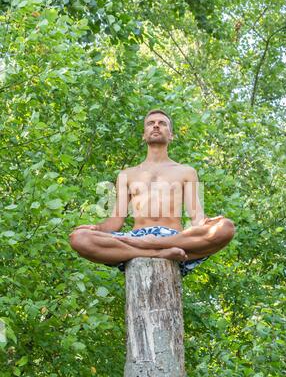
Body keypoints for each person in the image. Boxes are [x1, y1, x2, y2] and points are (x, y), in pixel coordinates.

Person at [69, 109, 236, 276]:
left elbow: (196, 218)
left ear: (171, 135)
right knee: (79, 238)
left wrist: (208, 225)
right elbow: (115, 221)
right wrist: (97, 228)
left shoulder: (186, 171)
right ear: (144, 135)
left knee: (226, 227)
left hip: (174, 238)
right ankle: (156, 252)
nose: (156, 126)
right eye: (151, 123)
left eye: (162, 123)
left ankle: (156, 244)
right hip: (136, 238)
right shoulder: (126, 174)